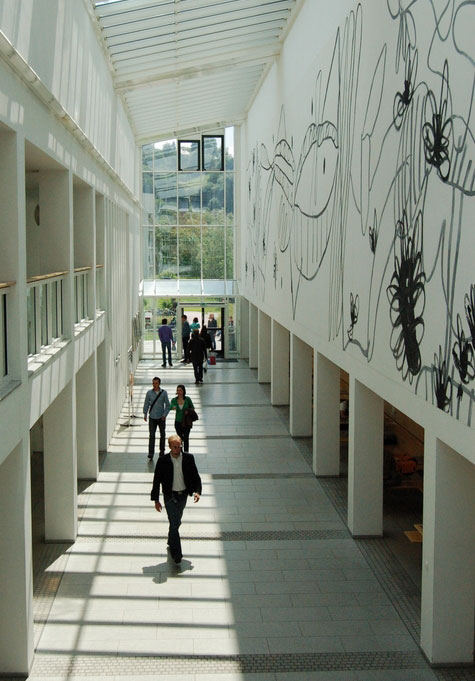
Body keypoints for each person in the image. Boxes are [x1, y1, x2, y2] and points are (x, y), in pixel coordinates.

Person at [151, 434, 201, 564]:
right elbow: (156, 481)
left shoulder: (188, 458)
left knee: (176, 521)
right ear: (169, 447)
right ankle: (177, 554)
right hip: (169, 496)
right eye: (175, 447)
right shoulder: (163, 461)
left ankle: (170, 539)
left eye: (179, 446)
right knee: (174, 522)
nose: (178, 449)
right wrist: (156, 500)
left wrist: (197, 491)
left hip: (183, 495)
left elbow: (196, 476)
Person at [143, 377, 170, 460]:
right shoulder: (149, 393)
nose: (154, 385)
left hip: (161, 417)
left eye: (156, 383)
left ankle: (162, 450)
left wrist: (164, 415)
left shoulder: (164, 393)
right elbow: (146, 403)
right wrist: (145, 413)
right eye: (153, 383)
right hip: (152, 417)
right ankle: (151, 453)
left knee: (162, 434)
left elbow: (168, 405)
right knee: (152, 435)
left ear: (159, 384)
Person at [169, 384, 195, 453]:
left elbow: (192, 407)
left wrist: (188, 411)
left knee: (186, 438)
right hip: (178, 421)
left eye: (180, 390)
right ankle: (181, 451)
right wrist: (173, 407)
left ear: (183, 391)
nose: (179, 392)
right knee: (179, 438)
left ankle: (186, 452)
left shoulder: (187, 399)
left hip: (186, 422)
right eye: (177, 390)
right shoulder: (174, 400)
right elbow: (170, 406)